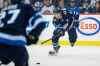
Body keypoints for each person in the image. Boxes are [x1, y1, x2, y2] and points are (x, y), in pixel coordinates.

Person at [0, 0, 46, 66]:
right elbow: (40, 22)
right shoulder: (26, 7)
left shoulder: (4, 10)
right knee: (24, 58)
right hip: (14, 44)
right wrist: (33, 36)